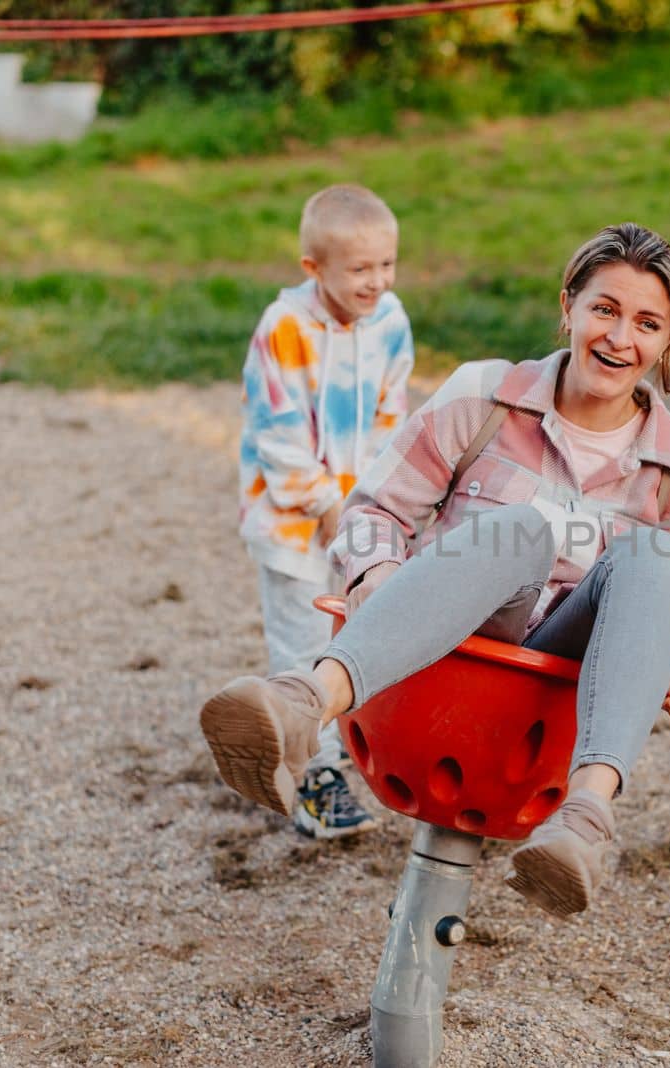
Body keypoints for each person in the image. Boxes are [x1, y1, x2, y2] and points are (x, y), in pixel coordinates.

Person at [202, 222, 670, 915]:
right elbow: (375, 510)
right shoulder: (484, 398)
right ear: (569, 308)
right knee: (522, 529)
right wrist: (381, 582)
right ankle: (302, 704)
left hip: (546, 709)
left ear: (668, 343)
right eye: (605, 310)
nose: (621, 338)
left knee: (651, 558)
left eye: (647, 323)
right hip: (439, 658)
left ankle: (586, 826)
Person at [234, 183, 413, 838]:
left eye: (387, 265)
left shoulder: (390, 321)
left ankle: (351, 749)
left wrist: (377, 497)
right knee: (303, 643)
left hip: (361, 513)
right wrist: (324, 501)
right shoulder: (284, 330)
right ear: (314, 269)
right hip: (292, 521)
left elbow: (394, 416)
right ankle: (313, 778)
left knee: (359, 633)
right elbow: (274, 435)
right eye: (360, 269)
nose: (377, 281)